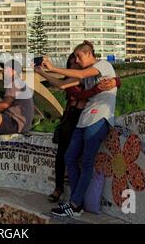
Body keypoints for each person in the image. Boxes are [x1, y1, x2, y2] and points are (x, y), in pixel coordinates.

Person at [40, 41, 118, 217]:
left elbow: (81, 73)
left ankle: (75, 205)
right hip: (84, 121)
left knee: (87, 161)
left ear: (89, 53)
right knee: (70, 157)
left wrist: (53, 67)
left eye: (79, 56)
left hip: (99, 119)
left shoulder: (103, 65)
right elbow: (62, 85)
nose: (76, 59)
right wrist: (43, 72)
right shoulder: (86, 75)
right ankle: (76, 202)